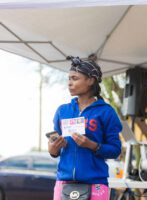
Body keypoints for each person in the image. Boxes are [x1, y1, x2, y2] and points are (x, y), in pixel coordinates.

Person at [48, 56, 122, 200]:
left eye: (75, 78)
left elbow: (115, 150)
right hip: (64, 182)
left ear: (90, 80)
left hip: (96, 184)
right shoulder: (62, 111)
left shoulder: (106, 112)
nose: (69, 83)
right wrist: (53, 149)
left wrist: (92, 145)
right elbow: (53, 146)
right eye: (68, 78)